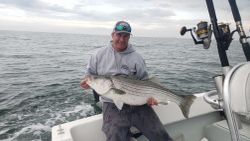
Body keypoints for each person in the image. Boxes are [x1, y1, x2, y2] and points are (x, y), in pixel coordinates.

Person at [80, 21, 173, 141]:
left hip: (139, 104)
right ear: (112, 35)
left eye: (126, 36)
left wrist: (151, 99)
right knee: (114, 136)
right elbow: (89, 76)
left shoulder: (137, 58)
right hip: (111, 104)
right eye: (119, 35)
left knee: (160, 135)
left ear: (129, 37)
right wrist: (86, 84)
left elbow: (146, 82)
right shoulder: (98, 55)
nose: (122, 39)